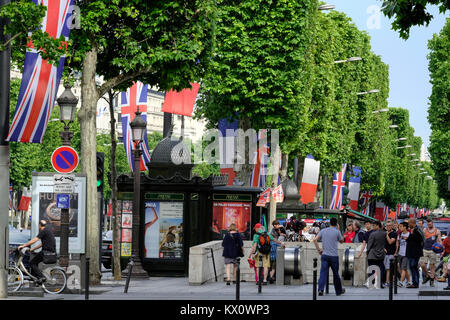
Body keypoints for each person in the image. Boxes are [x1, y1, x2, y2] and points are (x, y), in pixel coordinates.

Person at [313, 217, 345, 296]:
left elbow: (314, 240)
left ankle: (320, 289)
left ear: (330, 223)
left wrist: (319, 250)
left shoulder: (323, 231)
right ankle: (338, 291)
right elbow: (341, 241)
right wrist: (339, 229)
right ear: (336, 223)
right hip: (334, 256)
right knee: (335, 274)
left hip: (325, 255)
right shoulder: (337, 232)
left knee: (323, 273)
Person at [18, 220, 56, 284]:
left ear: (39, 225)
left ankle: (41, 277)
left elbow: (35, 240)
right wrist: (33, 249)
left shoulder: (43, 231)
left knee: (32, 263)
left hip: (45, 252)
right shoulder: (48, 231)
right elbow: (42, 244)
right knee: (35, 262)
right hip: (50, 252)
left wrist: (24, 245)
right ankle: (38, 280)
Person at [420, 216, 441, 287]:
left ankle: (432, 281)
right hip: (425, 249)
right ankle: (427, 276)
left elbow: (439, 241)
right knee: (422, 265)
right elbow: (422, 240)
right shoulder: (424, 230)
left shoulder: (437, 231)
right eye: (428, 224)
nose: (429, 225)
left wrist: (441, 251)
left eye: (430, 224)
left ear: (432, 223)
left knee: (432, 266)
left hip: (433, 250)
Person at [367, 220, 387, 288]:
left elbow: (369, 245)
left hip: (372, 254)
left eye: (374, 226)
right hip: (381, 254)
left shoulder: (373, 234)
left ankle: (371, 283)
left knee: (372, 269)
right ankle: (380, 283)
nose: (373, 227)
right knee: (380, 269)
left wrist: (368, 251)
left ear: (378, 226)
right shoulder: (384, 233)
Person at [406, 218, 424, 288]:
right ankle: (415, 282)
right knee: (412, 267)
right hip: (411, 252)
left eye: (409, 223)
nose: (408, 225)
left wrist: (412, 234)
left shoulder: (417, 230)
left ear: (412, 223)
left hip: (415, 252)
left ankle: (415, 283)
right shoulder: (413, 230)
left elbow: (420, 239)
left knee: (413, 266)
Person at [395, 222, 411, 287]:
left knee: (403, 268)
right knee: (400, 267)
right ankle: (409, 281)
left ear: (405, 227)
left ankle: (401, 282)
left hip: (406, 254)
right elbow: (398, 244)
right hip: (400, 253)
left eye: (401, 226)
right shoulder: (400, 234)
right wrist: (396, 252)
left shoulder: (409, 234)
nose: (399, 228)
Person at [384, 220, 398, 287]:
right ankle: (390, 281)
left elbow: (390, 242)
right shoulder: (384, 233)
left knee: (388, 268)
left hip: (391, 253)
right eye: (387, 225)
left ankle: (388, 281)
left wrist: (386, 234)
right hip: (385, 253)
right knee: (386, 268)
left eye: (389, 225)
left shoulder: (394, 233)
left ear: (392, 226)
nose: (388, 227)